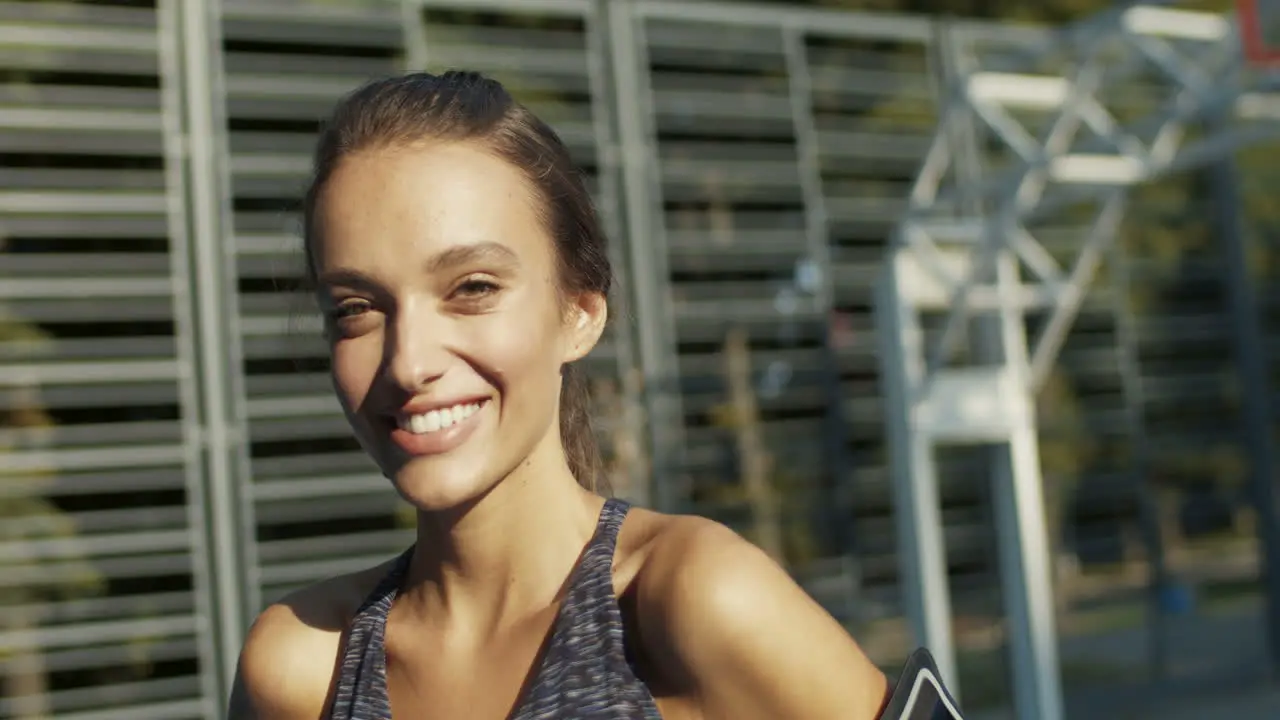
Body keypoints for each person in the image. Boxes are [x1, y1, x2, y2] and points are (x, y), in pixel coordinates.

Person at [228, 70, 891, 719]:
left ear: (578, 313)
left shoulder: (694, 602)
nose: (408, 362)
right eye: (356, 308)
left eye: (473, 288)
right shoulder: (301, 667)